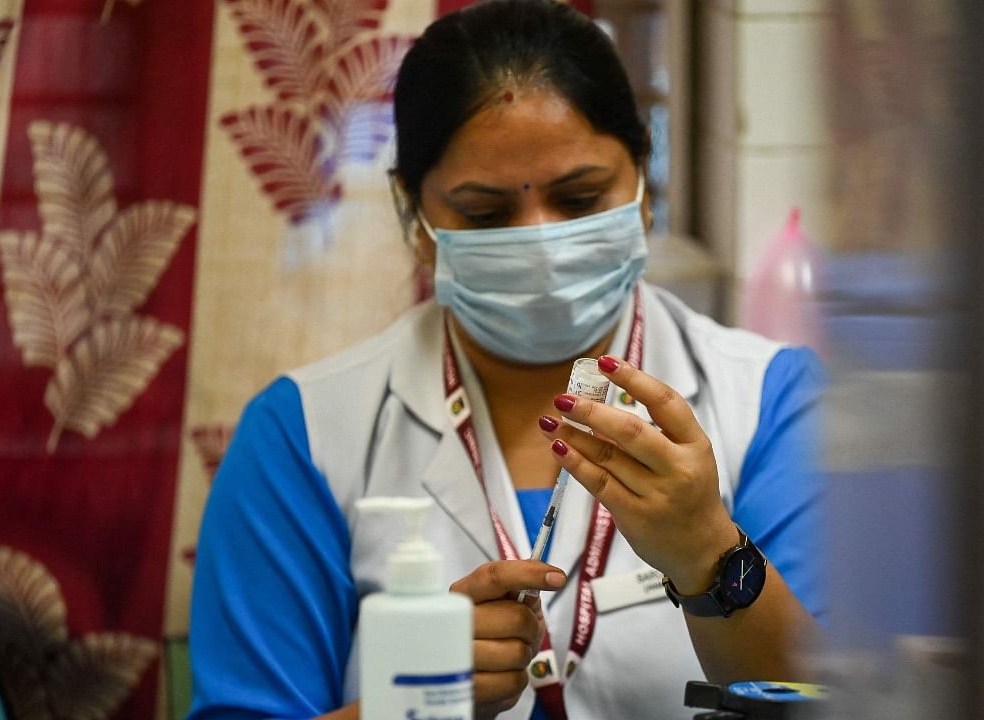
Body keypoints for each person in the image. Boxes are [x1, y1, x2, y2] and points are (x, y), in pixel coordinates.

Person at [187, 1, 826, 719]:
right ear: (415, 217)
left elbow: (838, 703)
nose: (543, 245)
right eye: (486, 214)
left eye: (580, 198)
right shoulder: (301, 437)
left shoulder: (771, 403)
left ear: (644, 186)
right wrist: (409, 704)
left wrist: (710, 555)